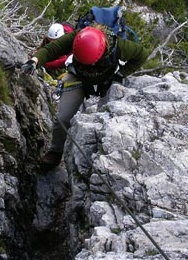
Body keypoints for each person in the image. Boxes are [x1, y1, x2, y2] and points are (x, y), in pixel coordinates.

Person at [21, 25, 150, 169]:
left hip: (106, 80)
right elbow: (51, 50)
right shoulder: (75, 38)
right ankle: (56, 152)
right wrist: (34, 62)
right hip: (78, 77)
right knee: (63, 118)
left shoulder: (118, 45)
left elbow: (142, 54)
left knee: (107, 122)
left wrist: (121, 74)